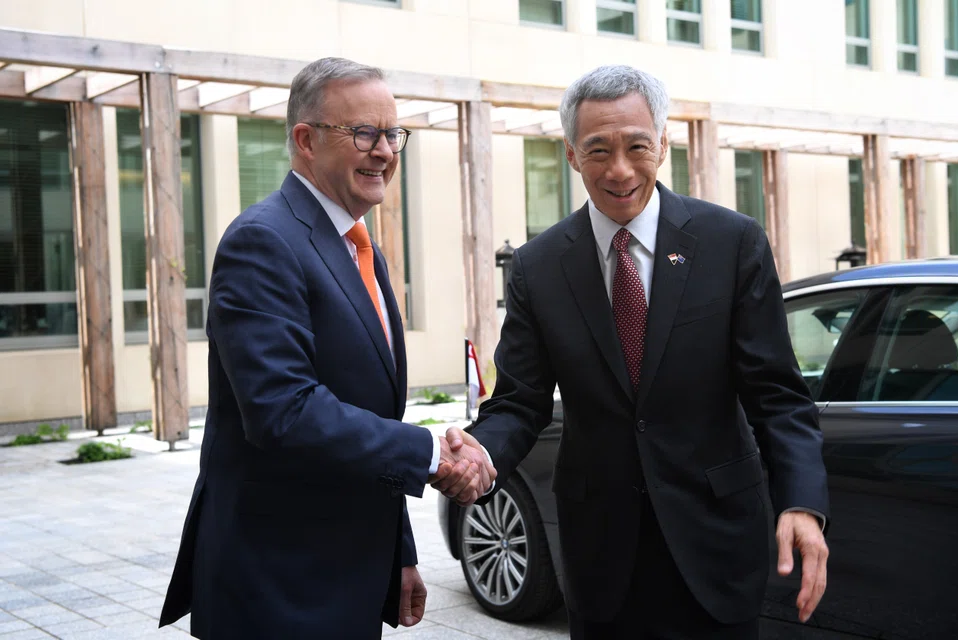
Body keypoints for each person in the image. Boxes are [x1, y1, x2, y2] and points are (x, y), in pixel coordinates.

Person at [437, 64, 830, 639]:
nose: (619, 170)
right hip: (602, 557)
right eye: (598, 150)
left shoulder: (731, 242)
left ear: (663, 145)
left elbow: (777, 395)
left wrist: (802, 502)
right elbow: (520, 403)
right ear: (572, 155)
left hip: (717, 543)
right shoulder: (538, 266)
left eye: (637, 146)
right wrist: (479, 454)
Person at [159, 57, 495, 639]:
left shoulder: (358, 244)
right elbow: (283, 411)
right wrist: (431, 456)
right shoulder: (263, 241)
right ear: (306, 141)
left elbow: (369, 412)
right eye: (364, 133)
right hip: (278, 587)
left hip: (350, 573)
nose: (385, 151)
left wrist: (399, 552)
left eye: (393, 134)